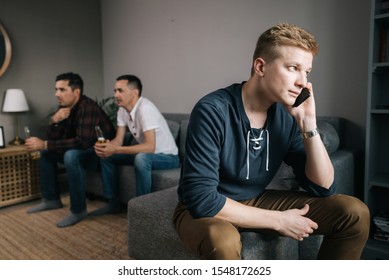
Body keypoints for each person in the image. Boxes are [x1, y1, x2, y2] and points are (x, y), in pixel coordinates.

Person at [173, 23, 370, 260]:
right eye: (293, 68)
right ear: (260, 67)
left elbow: (324, 187)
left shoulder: (285, 117)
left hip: (256, 199)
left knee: (353, 213)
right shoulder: (213, 110)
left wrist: (308, 124)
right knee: (222, 241)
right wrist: (279, 221)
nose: (302, 81)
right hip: (206, 208)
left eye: (306, 72)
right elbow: (202, 200)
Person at [25, 72, 116, 227]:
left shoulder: (88, 108)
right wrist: (55, 120)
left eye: (62, 90)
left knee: (71, 156)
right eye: (56, 89)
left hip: (101, 155)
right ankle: (51, 199)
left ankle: (78, 210)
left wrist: (45, 144)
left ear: (76, 92)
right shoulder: (65, 109)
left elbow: (83, 142)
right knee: (46, 153)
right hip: (84, 152)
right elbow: (55, 139)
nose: (56, 94)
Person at [92, 75, 179, 215]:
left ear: (134, 93)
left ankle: (142, 210)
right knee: (108, 156)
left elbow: (150, 147)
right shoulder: (122, 110)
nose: (116, 95)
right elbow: (118, 140)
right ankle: (112, 202)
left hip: (167, 157)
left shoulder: (146, 109)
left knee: (141, 158)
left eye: (120, 91)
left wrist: (117, 149)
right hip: (146, 154)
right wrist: (108, 146)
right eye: (115, 91)